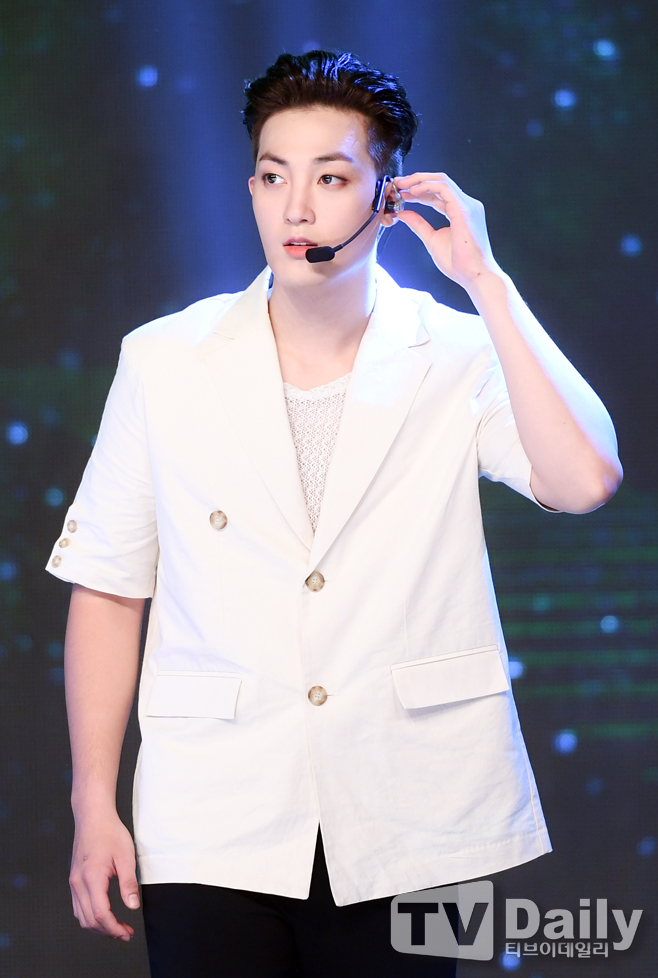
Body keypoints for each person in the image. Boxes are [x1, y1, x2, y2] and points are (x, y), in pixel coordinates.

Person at [47, 50, 622, 978]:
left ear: (387, 198)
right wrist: (91, 801)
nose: (297, 209)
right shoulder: (164, 360)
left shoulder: (460, 354)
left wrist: (485, 280)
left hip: (417, 809)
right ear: (251, 189)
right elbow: (109, 587)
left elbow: (586, 478)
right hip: (213, 809)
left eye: (331, 178)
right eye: (274, 177)